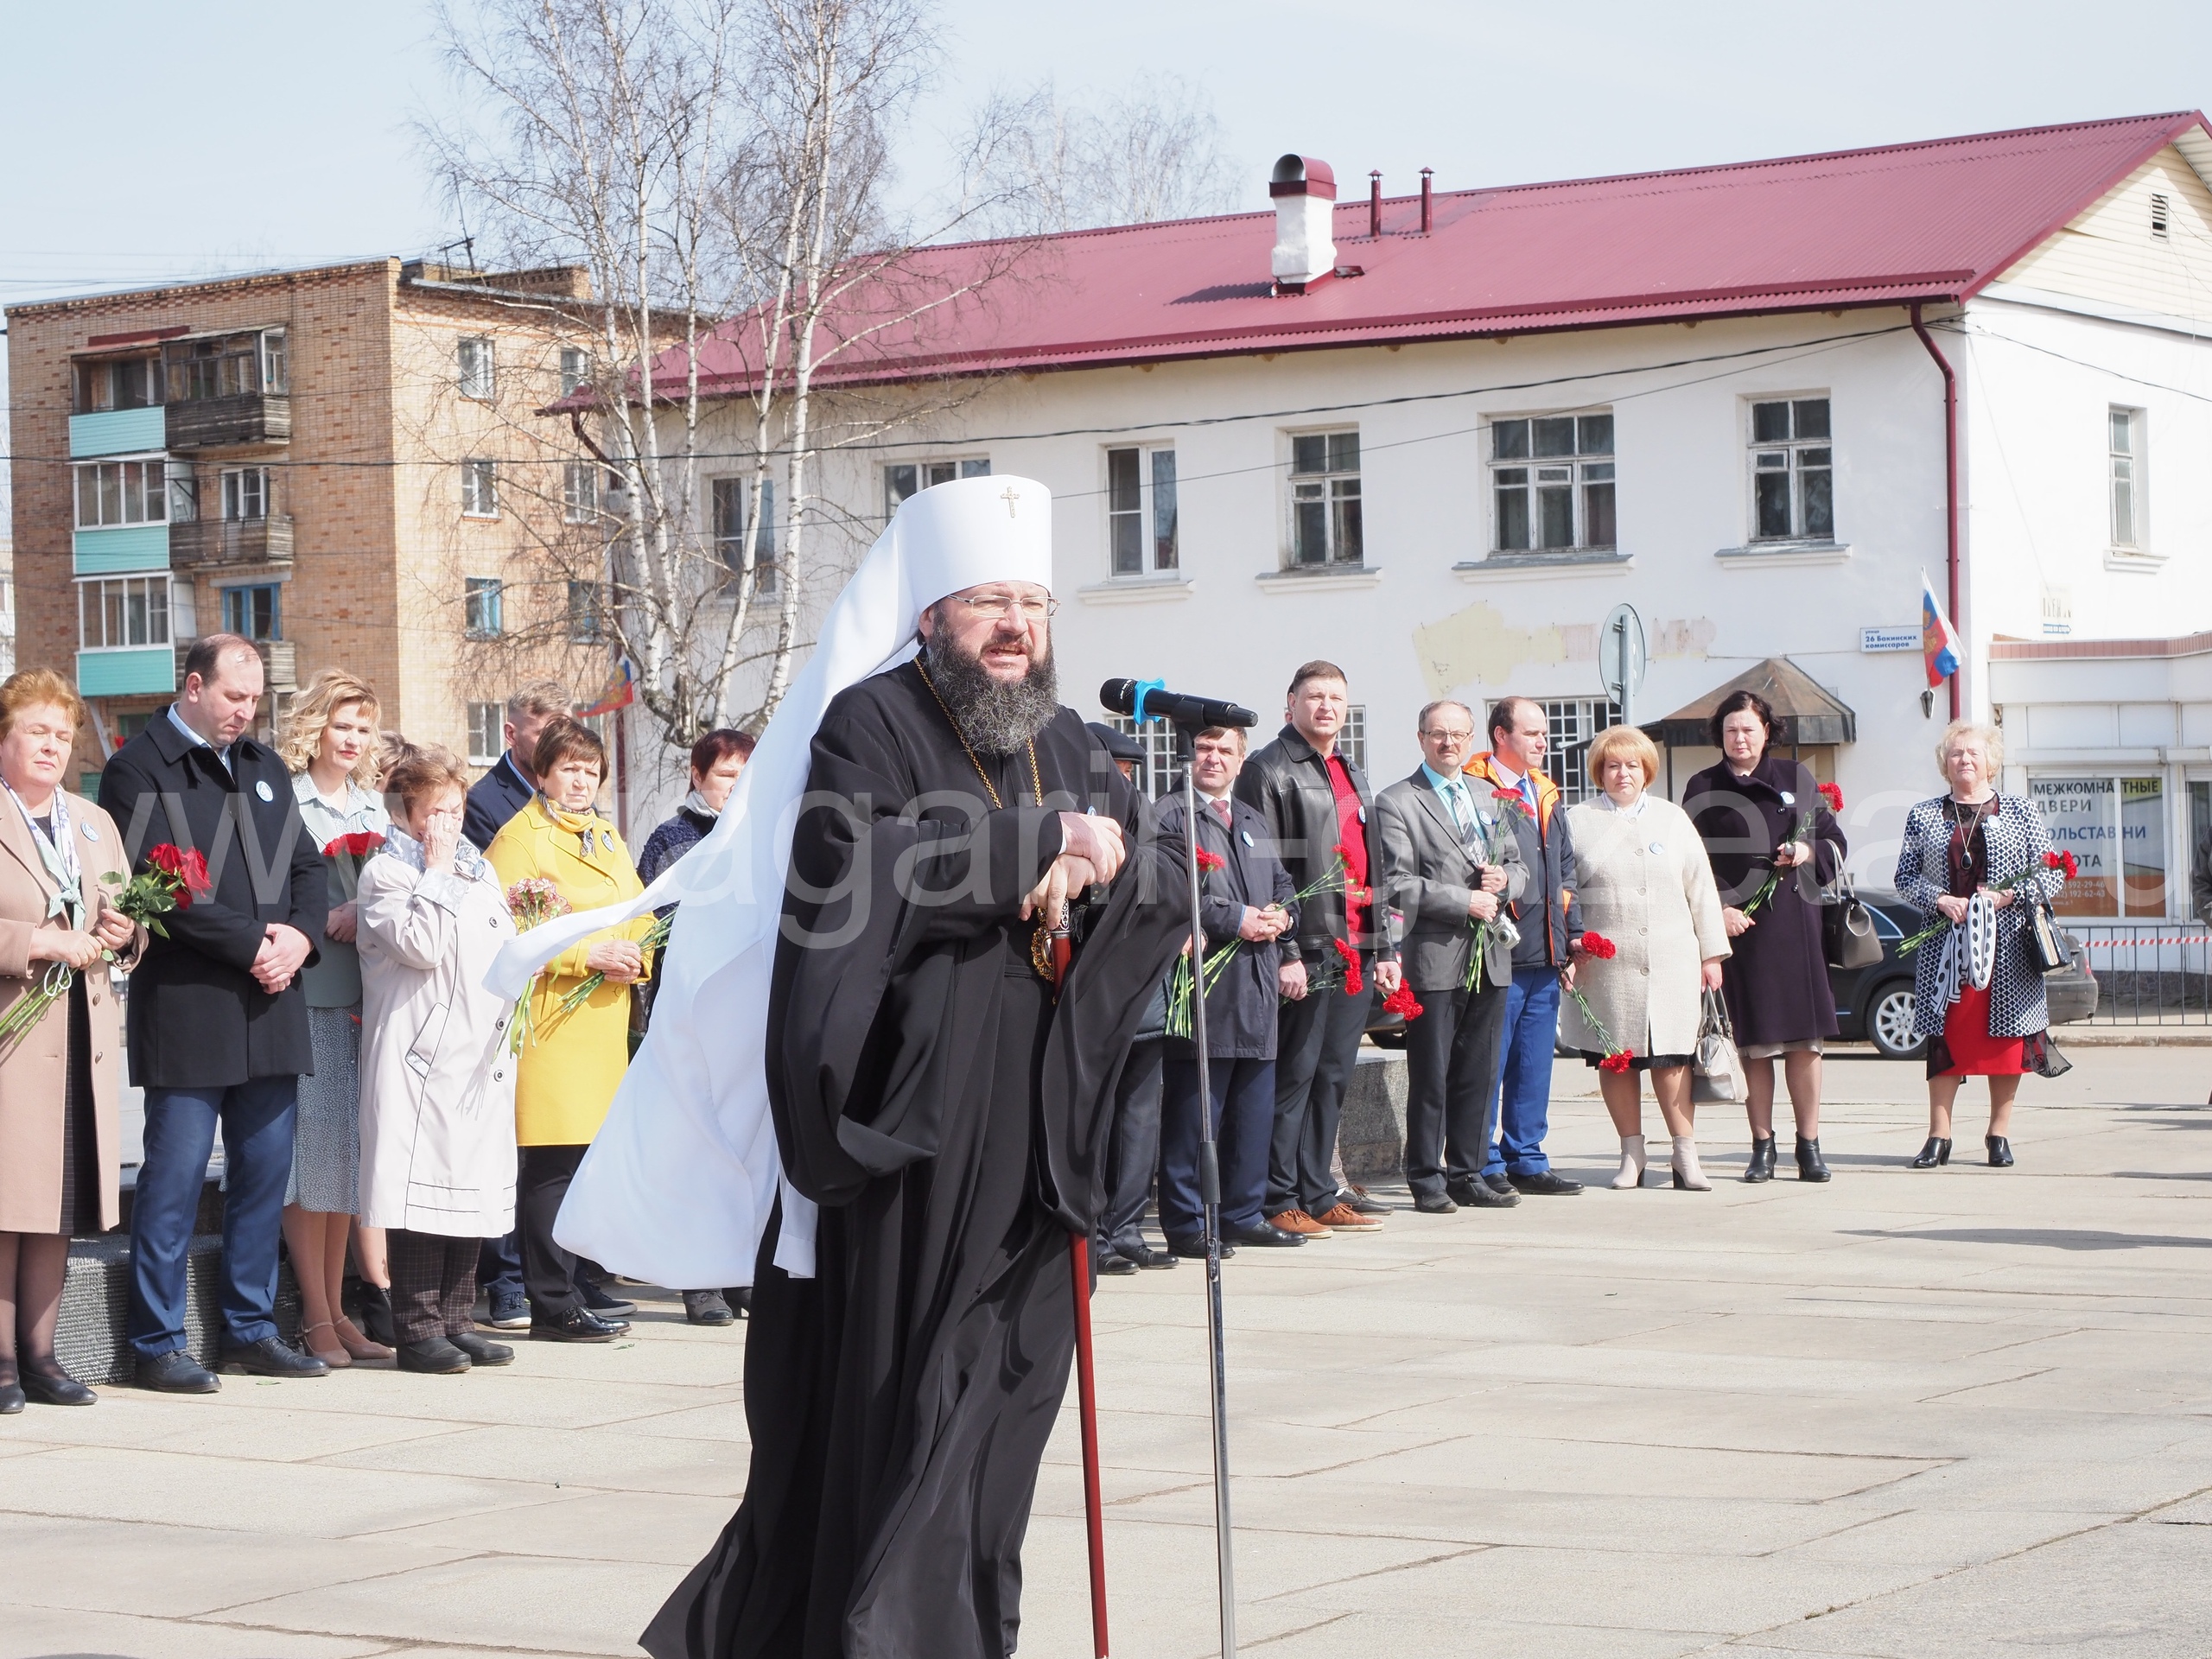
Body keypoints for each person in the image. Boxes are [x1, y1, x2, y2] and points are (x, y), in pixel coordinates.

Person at [542, 475, 1188, 1659]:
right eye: (988, 601)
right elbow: (856, 873)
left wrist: (1116, 868)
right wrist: (1035, 846)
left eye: (1032, 603)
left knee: (1002, 1408)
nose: (1015, 627)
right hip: (920, 1131)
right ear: (931, 613)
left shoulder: (1064, 738)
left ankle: (963, 1629)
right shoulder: (871, 723)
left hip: (1039, 1125)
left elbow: (1150, 870)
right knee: (906, 1403)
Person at [99, 634, 330, 1391]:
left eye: (256, 698)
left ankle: (250, 1329)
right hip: (192, 1009)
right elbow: (161, 889)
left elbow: (308, 867)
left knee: (264, 1176)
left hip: (272, 1005)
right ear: (194, 686)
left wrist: (296, 937)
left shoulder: (265, 768)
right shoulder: (139, 767)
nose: (247, 711)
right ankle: (158, 1342)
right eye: (235, 696)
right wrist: (257, 946)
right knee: (174, 1180)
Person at [486, 716, 653, 1341]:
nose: (581, 781)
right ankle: (550, 1302)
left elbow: (638, 910)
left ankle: (575, 1284)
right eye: (569, 769)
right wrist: (589, 958)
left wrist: (639, 957)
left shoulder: (606, 837)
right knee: (552, 1167)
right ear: (542, 774)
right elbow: (512, 934)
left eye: (591, 770)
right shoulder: (518, 838)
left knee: (585, 1165)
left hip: (604, 1022)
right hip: (554, 1024)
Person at [0, 671, 142, 1410]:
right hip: (11, 1044)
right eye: (36, 731)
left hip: (79, 1042)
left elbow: (122, 916)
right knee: (5, 1207)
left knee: (57, 1205)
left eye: (63, 734)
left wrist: (127, 933)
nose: (52, 746)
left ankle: (43, 1357)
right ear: (4, 739)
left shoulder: (91, 821)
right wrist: (37, 942)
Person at [357, 747, 521, 1374]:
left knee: (469, 1188)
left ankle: (457, 1319)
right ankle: (418, 1327)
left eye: (457, 809)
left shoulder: (479, 871)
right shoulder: (388, 874)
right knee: (422, 1194)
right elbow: (421, 946)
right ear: (408, 814)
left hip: (475, 1054)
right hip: (419, 1057)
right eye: (438, 812)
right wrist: (437, 869)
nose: (451, 824)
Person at [1235, 660, 1402, 1239]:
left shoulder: (1349, 768)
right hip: (1307, 945)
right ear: (1291, 706)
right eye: (1314, 697)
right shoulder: (1268, 769)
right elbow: (1265, 867)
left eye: (1335, 697)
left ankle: (1318, 1190)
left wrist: (1382, 945)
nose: (1326, 706)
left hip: (1355, 948)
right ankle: (1277, 1195)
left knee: (1333, 1074)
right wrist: (1287, 949)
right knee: (1294, 1074)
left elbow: (1372, 858)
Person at [276, 671, 395, 1365]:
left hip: (367, 997)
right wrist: (325, 917)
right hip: (310, 991)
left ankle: (341, 1312)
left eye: (361, 729)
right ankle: (316, 1317)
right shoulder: (286, 803)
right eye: (340, 725)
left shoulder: (374, 810)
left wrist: (367, 911)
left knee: (346, 1161)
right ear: (313, 727)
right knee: (311, 1158)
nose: (350, 740)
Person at [1681, 691, 1847, 1184]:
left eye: (1749, 729)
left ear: (1766, 732)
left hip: (1794, 929)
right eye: (1732, 730)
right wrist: (1721, 911)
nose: (1740, 738)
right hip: (1741, 933)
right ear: (1721, 735)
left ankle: (1809, 1145)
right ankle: (1763, 1146)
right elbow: (1690, 863)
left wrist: (1804, 849)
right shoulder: (1702, 785)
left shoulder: (1795, 777)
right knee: (1755, 1045)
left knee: (1804, 1045)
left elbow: (1834, 839)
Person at [1560, 725, 1731, 1192]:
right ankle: (1631, 1154)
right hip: (1607, 963)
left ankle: (1685, 1155)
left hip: (1673, 958)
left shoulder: (1673, 819)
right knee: (1618, 1060)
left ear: (1646, 770)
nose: (1623, 773)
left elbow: (1701, 887)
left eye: (1632, 765)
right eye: (1613, 765)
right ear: (1600, 770)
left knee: (1672, 1058)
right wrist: (1568, 950)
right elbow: (1565, 891)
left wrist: (1712, 954)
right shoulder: (1577, 820)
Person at [1155, 725, 1303, 1258]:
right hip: (1205, 989)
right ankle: (1187, 1219)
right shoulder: (1169, 816)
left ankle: (1243, 1212)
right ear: (1188, 756)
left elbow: (1283, 884)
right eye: (1204, 749)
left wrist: (1284, 916)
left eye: (1225, 751)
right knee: (1198, 1114)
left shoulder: (1250, 818)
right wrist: (1236, 917)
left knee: (1252, 1111)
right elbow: (1168, 893)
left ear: (1242, 761)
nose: (1213, 759)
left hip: (1257, 984)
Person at [1376, 701, 1528, 1213]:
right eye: (1438, 734)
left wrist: (1507, 882)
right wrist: (1465, 901)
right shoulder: (1397, 801)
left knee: (1479, 1073)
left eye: (1459, 735)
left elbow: (1516, 865)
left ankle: (1467, 1171)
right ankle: (1426, 1176)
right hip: (1436, 956)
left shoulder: (1487, 794)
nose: (1449, 744)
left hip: (1490, 956)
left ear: (1472, 740)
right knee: (1433, 1071)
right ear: (1420, 738)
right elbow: (1396, 883)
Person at [1893, 721, 2062, 1169]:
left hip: (2006, 950)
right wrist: (1940, 898)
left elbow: (2051, 872)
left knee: (2005, 1042)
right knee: (1945, 1039)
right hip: (1945, 950)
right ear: (1944, 764)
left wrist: (2009, 895)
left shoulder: (2021, 812)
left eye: (1973, 753)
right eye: (1955, 754)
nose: (1964, 760)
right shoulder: (1924, 814)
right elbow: (1905, 877)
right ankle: (1939, 1136)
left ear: (1992, 761)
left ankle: (1998, 1134)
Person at [636, 727, 756, 1325]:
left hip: (744, 1012)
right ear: (698, 777)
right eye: (725, 776)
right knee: (693, 1141)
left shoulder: (763, 836)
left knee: (741, 1143)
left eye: (744, 776)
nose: (735, 788)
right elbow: (660, 921)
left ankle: (736, 1269)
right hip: (688, 1005)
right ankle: (696, 1279)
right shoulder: (675, 837)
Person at [464, 679, 569, 1332]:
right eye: (543, 727)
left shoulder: (566, 792)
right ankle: (503, 1280)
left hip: (561, 986)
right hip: (502, 982)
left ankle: (560, 1271)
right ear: (512, 735)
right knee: (504, 1138)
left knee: (549, 1144)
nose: (556, 736)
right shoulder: (488, 803)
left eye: (565, 723)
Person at [1464, 697, 1585, 1196]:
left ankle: (1527, 1158)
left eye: (1545, 733)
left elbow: (1567, 869)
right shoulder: (1474, 789)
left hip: (1546, 950)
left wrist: (1571, 933)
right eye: (1532, 733)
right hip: (1499, 948)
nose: (1543, 742)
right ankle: (1484, 1159)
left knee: (1534, 1064)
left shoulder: (1545, 792)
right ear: (1500, 736)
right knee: (1490, 1062)